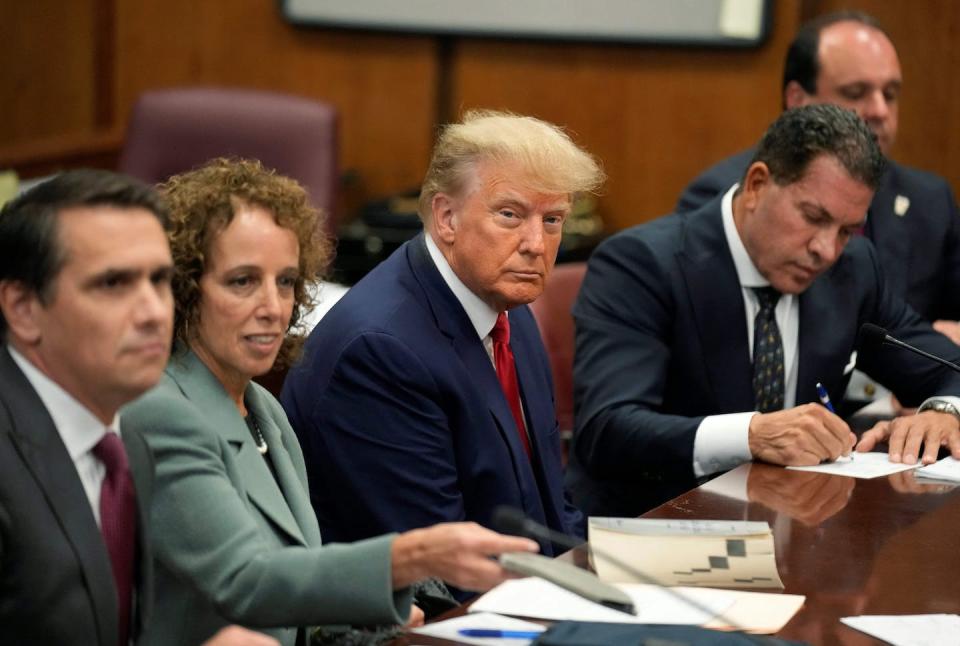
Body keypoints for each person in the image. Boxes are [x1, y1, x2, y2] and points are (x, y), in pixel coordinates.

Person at [120, 158, 538, 646]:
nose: (274, 308)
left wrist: (375, 616)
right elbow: (246, 581)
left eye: (285, 281)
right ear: (184, 289)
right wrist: (408, 557)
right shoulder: (162, 409)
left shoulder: (262, 408)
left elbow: (299, 598)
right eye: (242, 282)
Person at [568, 105, 960, 517]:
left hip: (796, 534)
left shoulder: (853, 270)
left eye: (846, 230)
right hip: (657, 533)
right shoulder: (643, 265)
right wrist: (751, 434)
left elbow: (946, 367)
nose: (826, 250)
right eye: (813, 217)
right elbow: (608, 430)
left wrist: (944, 411)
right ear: (756, 185)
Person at [282, 110, 601, 558]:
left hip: (530, 589)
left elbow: (552, 511)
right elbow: (436, 570)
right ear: (446, 217)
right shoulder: (379, 352)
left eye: (553, 220)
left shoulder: (510, 306)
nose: (536, 244)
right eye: (510, 215)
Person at [676, 11, 960, 337]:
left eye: (890, 94)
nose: (880, 111)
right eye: (856, 93)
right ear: (798, 100)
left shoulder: (930, 201)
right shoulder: (724, 197)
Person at [0, 170, 171, 646]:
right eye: (114, 283)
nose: (154, 311)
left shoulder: (126, 443)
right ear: (23, 308)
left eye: (160, 280)